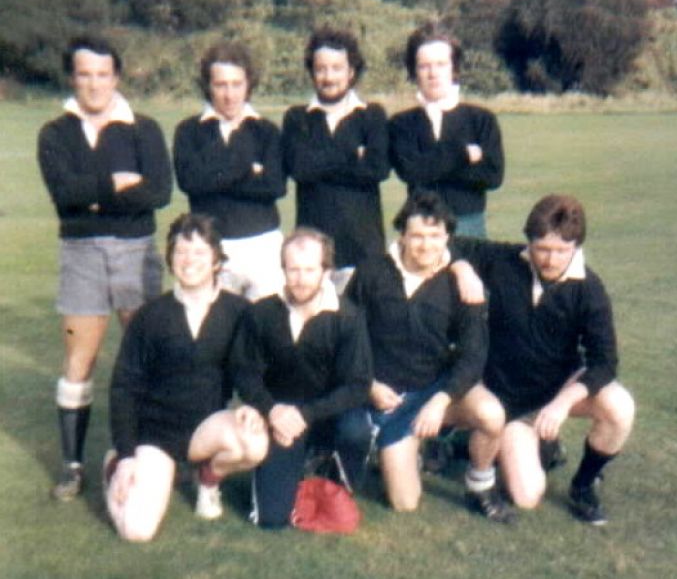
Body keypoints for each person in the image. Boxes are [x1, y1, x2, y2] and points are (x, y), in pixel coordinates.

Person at [37, 35, 172, 501]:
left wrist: (93, 192)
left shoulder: (144, 128)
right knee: (81, 358)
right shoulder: (54, 133)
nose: (93, 84)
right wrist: (116, 182)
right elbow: (64, 195)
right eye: (84, 74)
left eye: (102, 74)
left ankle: (155, 451)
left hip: (136, 249)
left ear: (116, 76)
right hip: (80, 253)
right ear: (72, 77)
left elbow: (157, 194)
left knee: (148, 355)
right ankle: (73, 467)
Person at [450, 194, 636, 525]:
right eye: (542, 249)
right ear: (529, 242)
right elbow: (447, 243)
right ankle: (520, 445)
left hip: (558, 391)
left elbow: (604, 362)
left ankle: (583, 486)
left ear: (576, 246)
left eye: (562, 251)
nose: (551, 259)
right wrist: (462, 268)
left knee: (620, 407)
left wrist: (562, 404)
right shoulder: (505, 261)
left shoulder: (589, 289)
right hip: (510, 403)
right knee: (525, 496)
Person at [344, 192, 515, 523]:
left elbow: (473, 354)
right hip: (384, 395)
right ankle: (399, 448)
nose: (425, 245)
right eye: (417, 236)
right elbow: (347, 337)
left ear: (448, 238)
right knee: (405, 503)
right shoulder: (371, 272)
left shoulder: (461, 281)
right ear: (402, 236)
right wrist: (369, 384)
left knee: (492, 414)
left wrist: (440, 400)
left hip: (431, 390)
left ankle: (480, 485)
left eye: (435, 236)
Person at [105, 214, 268, 542]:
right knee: (136, 531)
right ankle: (114, 467)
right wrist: (125, 456)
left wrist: (254, 405)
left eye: (198, 252)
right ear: (169, 258)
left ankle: (207, 481)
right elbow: (124, 387)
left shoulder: (238, 311)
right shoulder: (150, 316)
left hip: (206, 429)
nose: (188, 261)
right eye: (180, 251)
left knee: (253, 443)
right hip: (155, 435)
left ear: (215, 260)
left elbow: (249, 369)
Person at [230, 229, 372, 529]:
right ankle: (300, 470)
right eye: (293, 269)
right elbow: (244, 373)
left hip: (330, 415)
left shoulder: (348, 317)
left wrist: (304, 415)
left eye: (310, 269)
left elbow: (357, 385)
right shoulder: (262, 314)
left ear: (326, 270)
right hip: (281, 419)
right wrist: (272, 411)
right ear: (283, 269)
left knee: (357, 430)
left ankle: (332, 475)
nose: (301, 278)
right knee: (271, 519)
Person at [173, 41, 286, 301]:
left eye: (237, 84)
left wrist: (215, 174)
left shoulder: (265, 130)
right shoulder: (189, 131)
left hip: (262, 245)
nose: (229, 94)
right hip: (210, 246)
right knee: (215, 334)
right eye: (221, 85)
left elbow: (274, 186)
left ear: (249, 84)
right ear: (208, 86)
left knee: (265, 332)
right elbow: (191, 182)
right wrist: (248, 169)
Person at [282, 28, 390, 292]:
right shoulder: (297, 118)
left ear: (351, 71)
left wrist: (320, 159)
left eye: (336, 68)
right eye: (321, 69)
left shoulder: (372, 115)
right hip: (311, 255)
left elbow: (377, 169)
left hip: (363, 250)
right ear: (312, 72)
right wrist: (353, 155)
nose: (328, 77)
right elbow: (300, 169)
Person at [389, 22, 504, 238]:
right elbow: (411, 172)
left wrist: (430, 165)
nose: (433, 73)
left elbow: (492, 176)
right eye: (424, 66)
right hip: (419, 231)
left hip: (469, 227)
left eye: (441, 64)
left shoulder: (481, 120)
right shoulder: (400, 124)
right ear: (414, 71)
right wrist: (463, 155)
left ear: (455, 68)